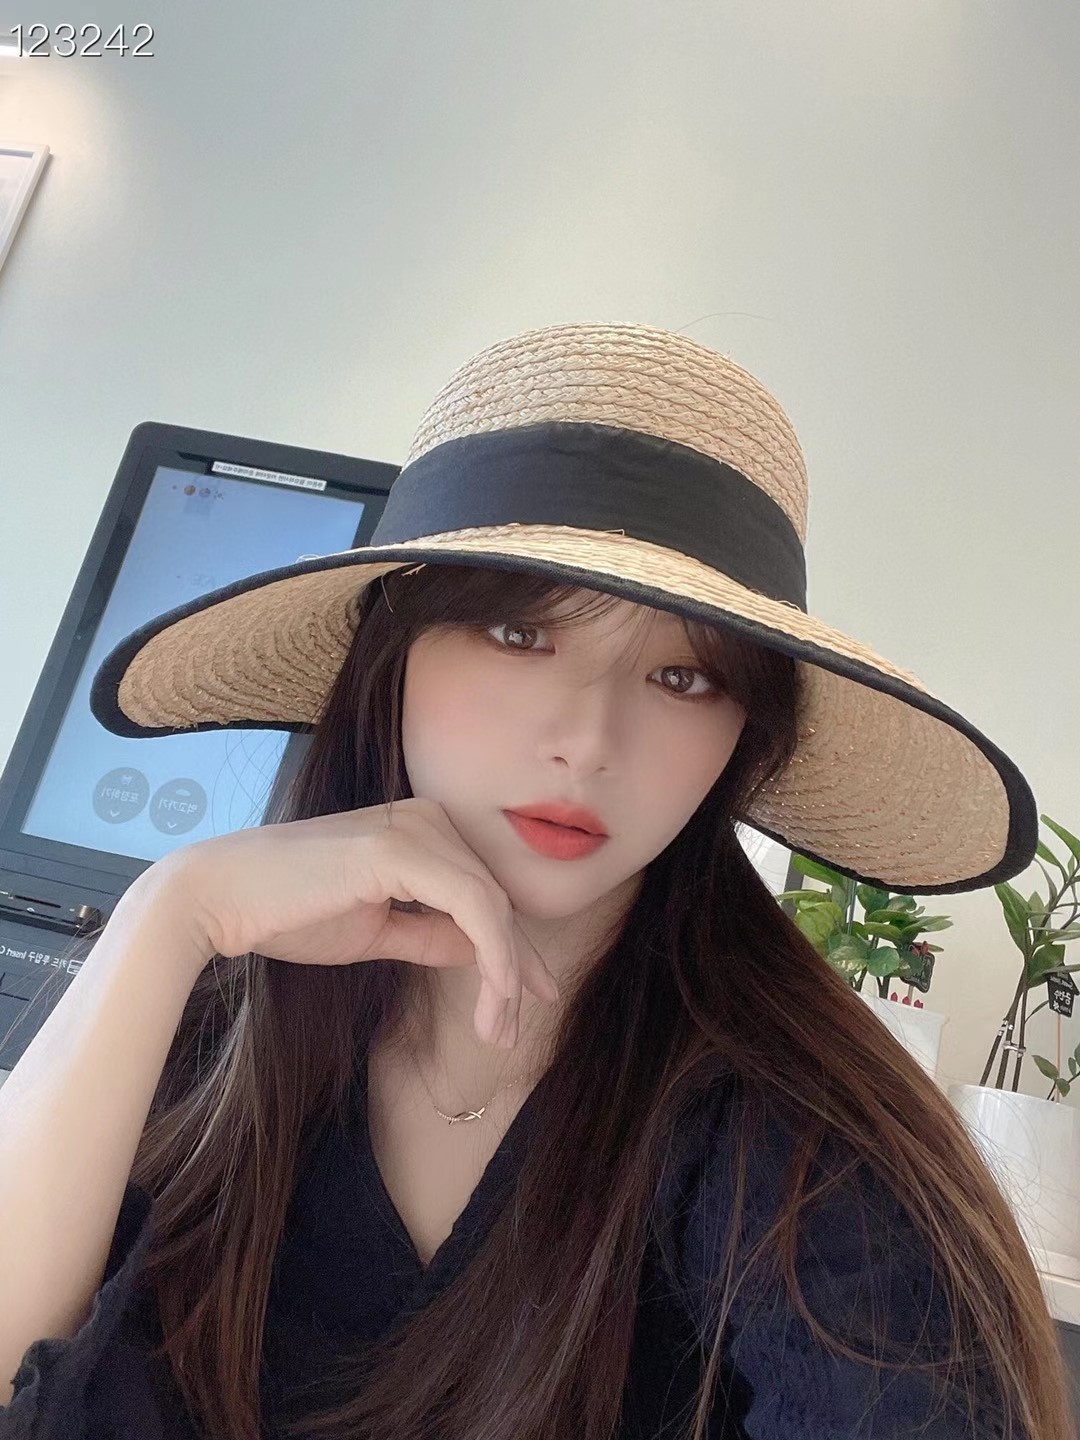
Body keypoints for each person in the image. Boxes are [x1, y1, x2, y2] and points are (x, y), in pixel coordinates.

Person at [0, 321, 1070, 1440]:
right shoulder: (223, 1020)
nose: (588, 742)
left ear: (742, 738)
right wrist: (170, 914)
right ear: (394, 652)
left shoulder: (801, 1148)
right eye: (520, 633)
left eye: (683, 677)